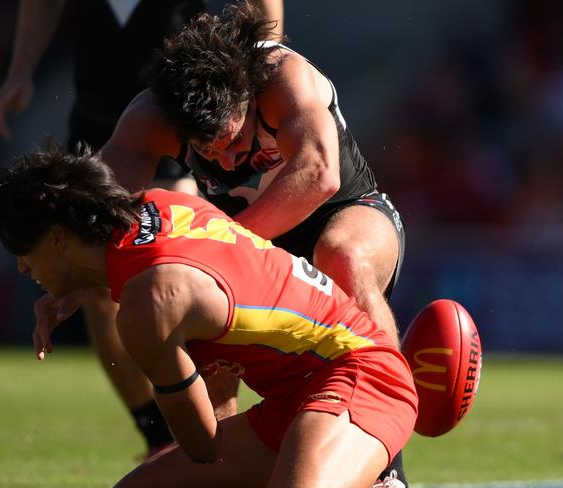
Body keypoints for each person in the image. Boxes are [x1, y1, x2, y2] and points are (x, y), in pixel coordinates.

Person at [0, 140, 418, 488]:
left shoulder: (145, 307)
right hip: (295, 403)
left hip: (361, 377)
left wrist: (166, 356)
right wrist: (81, 282)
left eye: (25, 251)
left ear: (59, 239)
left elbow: (203, 447)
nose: (22, 267)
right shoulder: (160, 204)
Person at [90, 1, 413, 483]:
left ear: (245, 94)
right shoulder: (151, 116)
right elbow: (96, 209)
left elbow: (319, 174)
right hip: (253, 246)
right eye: (207, 151)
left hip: (347, 213)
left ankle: (385, 467)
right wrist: (66, 276)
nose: (227, 158)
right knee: (200, 319)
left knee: (341, 256)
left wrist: (224, 249)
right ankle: (223, 466)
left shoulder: (284, 76)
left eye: (235, 141)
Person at [0, 0, 284, 455]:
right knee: (99, 300)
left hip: (177, 130)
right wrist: (21, 68)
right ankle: (159, 439)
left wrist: (270, 57)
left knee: (188, 287)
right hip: (96, 125)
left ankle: (222, 437)